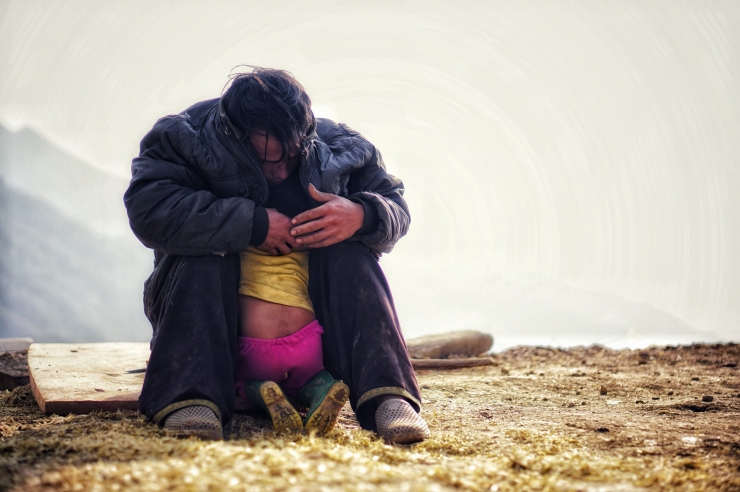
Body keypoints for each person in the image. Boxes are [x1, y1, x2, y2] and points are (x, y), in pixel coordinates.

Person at [124, 67, 430, 444]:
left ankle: (388, 399)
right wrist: (252, 224)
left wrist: (362, 214)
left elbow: (395, 206)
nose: (283, 171)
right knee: (203, 252)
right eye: (270, 161)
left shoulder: (341, 145)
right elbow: (149, 209)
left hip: (317, 338)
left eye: (292, 155)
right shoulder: (182, 138)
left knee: (352, 253)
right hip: (207, 328)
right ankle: (191, 399)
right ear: (235, 134)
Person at [234, 243, 349, 436]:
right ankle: (320, 389)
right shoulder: (305, 234)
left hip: (258, 344)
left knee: (240, 386)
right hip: (306, 340)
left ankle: (259, 392)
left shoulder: (245, 231)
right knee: (310, 380)